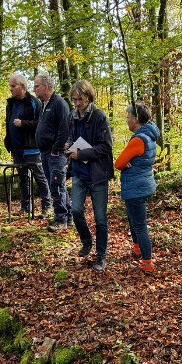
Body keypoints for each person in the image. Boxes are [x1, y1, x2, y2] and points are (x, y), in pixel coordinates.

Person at [67, 80, 113, 271]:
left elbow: (106, 147)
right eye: (74, 100)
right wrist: (68, 147)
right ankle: (86, 241)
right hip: (78, 172)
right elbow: (72, 138)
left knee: (100, 218)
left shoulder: (100, 117)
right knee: (76, 210)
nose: (77, 103)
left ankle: (101, 256)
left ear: (89, 97)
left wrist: (82, 154)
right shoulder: (72, 116)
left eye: (80, 99)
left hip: (97, 175)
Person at [115, 102, 160, 273]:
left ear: (135, 119)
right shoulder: (149, 136)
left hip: (136, 187)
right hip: (143, 183)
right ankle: (137, 249)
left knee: (140, 225)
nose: (126, 120)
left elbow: (118, 163)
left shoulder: (138, 140)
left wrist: (124, 163)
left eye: (127, 117)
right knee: (134, 220)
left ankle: (147, 262)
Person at [5, 73, 52, 217]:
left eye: (13, 86)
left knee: (39, 177)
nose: (11, 89)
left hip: (32, 148)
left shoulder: (34, 102)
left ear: (23, 87)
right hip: (16, 148)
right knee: (22, 179)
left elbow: (41, 123)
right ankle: (26, 207)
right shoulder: (10, 103)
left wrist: (23, 124)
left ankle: (47, 207)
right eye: (10, 86)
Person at [34, 74, 72, 232]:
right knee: (56, 185)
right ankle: (68, 217)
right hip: (45, 152)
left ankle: (61, 219)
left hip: (55, 153)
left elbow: (65, 128)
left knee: (56, 185)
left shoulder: (59, 103)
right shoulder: (44, 104)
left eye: (37, 86)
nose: (34, 89)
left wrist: (57, 149)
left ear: (46, 87)